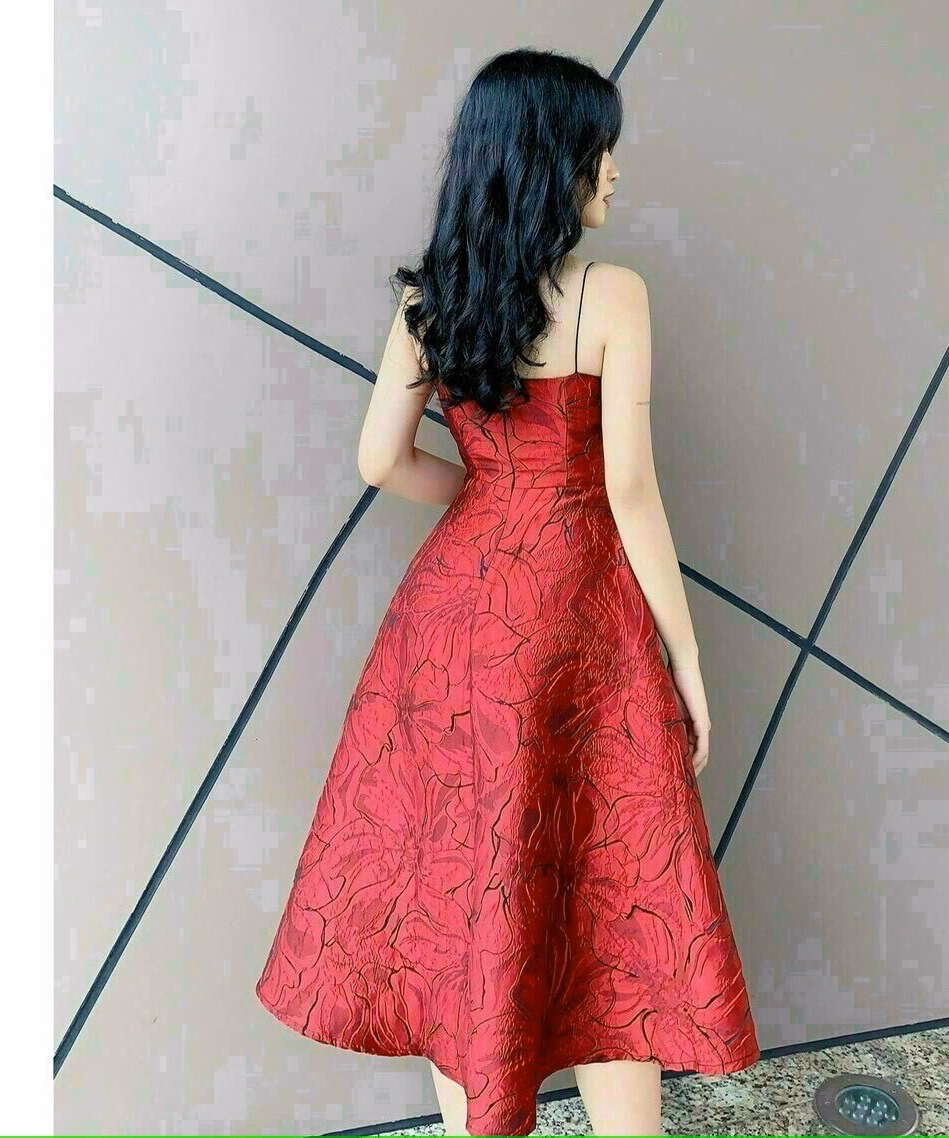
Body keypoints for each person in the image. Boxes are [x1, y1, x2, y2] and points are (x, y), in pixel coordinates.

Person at [255, 46, 760, 1137]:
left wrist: (485, 496)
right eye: (602, 148)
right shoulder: (611, 294)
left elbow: (381, 461)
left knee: (467, 892)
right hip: (580, 620)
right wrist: (685, 659)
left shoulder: (426, 300)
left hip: (453, 628)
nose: (616, 170)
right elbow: (629, 489)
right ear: (552, 158)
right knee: (609, 893)